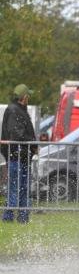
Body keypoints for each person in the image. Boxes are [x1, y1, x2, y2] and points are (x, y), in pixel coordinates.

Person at [1, 84, 37, 223]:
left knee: (23, 189)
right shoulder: (14, 111)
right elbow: (17, 134)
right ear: (25, 97)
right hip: (16, 156)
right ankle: (8, 217)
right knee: (15, 189)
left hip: (22, 156)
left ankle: (23, 218)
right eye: (28, 95)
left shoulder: (19, 110)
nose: (29, 98)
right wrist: (33, 144)